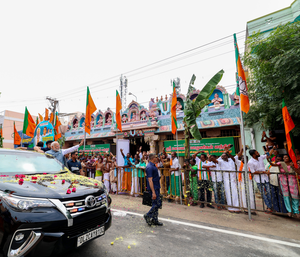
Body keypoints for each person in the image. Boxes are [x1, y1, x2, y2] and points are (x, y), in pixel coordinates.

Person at [248, 149, 272, 214]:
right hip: (259, 180)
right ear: (253, 155)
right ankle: (269, 207)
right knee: (263, 194)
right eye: (257, 152)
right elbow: (253, 172)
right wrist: (263, 172)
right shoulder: (250, 162)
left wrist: (272, 148)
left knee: (269, 192)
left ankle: (270, 206)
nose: (258, 153)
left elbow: (267, 155)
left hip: (265, 178)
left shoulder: (260, 157)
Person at [234, 149, 256, 214]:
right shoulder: (239, 163)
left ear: (247, 159)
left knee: (251, 195)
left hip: (249, 182)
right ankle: (245, 209)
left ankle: (252, 209)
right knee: (243, 195)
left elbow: (253, 172)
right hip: (242, 182)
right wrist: (241, 151)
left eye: (245, 158)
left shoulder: (250, 164)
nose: (243, 159)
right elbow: (234, 159)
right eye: (242, 158)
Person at [144, 153, 163, 226]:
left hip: (156, 186)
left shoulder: (153, 165)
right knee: (157, 203)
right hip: (153, 188)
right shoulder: (149, 167)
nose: (156, 158)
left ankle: (155, 219)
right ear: (152, 158)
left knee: (156, 204)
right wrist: (153, 192)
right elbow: (150, 180)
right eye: (155, 157)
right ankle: (148, 215)